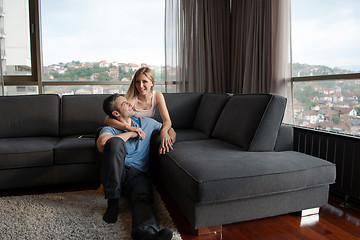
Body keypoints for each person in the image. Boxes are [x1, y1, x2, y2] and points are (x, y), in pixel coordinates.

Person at [96, 94, 176, 240]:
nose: (130, 104)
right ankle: (113, 202)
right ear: (116, 113)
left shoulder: (146, 123)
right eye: (125, 103)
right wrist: (130, 133)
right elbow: (102, 144)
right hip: (117, 173)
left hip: (137, 175)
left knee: (143, 198)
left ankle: (147, 234)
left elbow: (171, 130)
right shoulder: (110, 129)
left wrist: (166, 134)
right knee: (114, 143)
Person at [97, 67, 174, 193]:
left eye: (144, 81)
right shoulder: (130, 99)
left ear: (152, 83)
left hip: (146, 128)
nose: (140, 85)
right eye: (137, 82)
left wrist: (164, 132)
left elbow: (167, 121)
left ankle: (141, 178)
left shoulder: (157, 95)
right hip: (128, 128)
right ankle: (105, 179)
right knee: (102, 133)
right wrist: (129, 128)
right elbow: (108, 119)